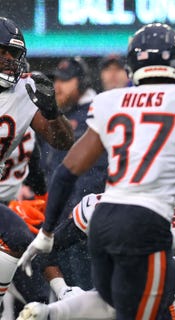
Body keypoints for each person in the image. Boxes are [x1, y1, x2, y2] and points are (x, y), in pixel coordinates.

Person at [16, 23, 175, 319]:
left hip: (104, 220)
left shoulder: (111, 101)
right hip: (148, 222)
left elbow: (66, 172)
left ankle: (53, 314)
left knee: (114, 304)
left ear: (132, 64)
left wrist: (46, 232)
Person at [18, 187, 175, 320]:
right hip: (112, 296)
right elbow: (46, 251)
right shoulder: (93, 211)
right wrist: (62, 289)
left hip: (160, 304)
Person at [0, 15, 74, 308]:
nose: (8, 60)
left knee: (20, 237)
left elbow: (63, 141)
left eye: (13, 54)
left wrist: (52, 111)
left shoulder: (25, 90)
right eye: (2, 51)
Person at [37, 55, 106, 291]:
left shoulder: (97, 112)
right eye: (56, 79)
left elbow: (94, 175)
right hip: (59, 223)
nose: (57, 86)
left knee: (87, 295)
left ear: (83, 82)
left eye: (65, 80)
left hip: (86, 223)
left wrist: (76, 210)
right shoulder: (58, 115)